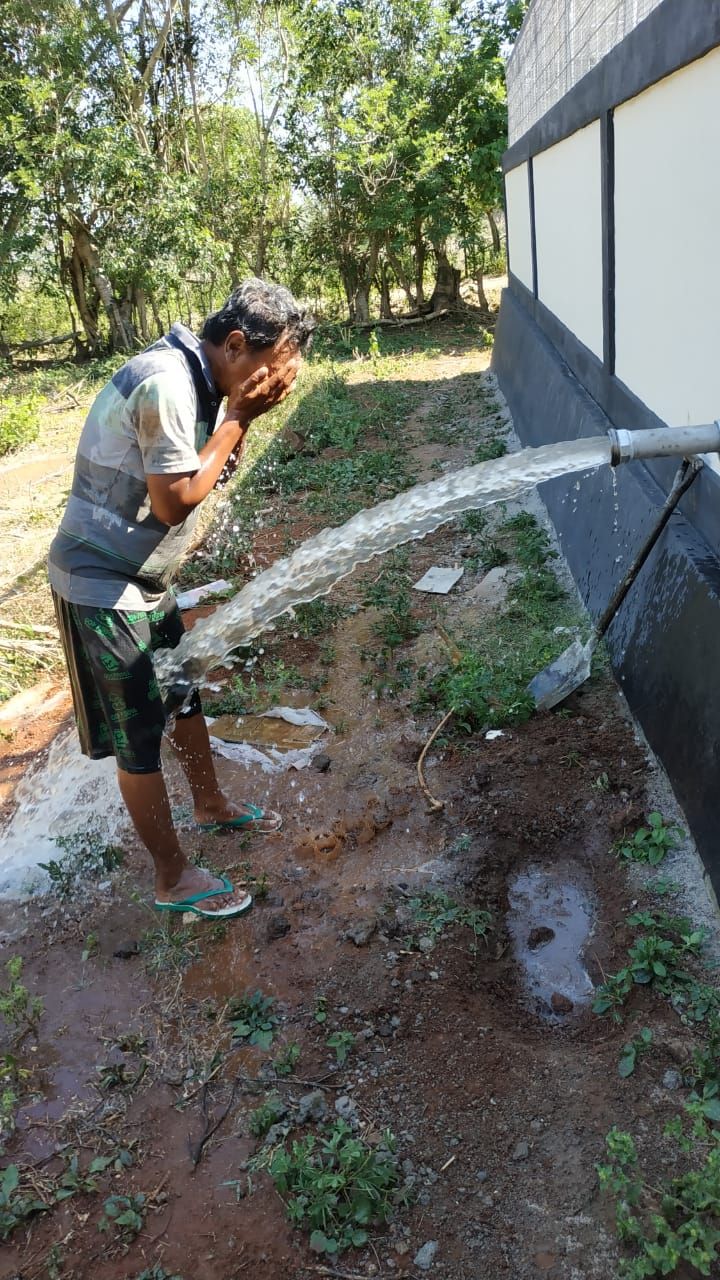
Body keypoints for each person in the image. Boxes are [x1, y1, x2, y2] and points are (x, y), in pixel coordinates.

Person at [48, 279, 315, 919]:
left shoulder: (200, 381)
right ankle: (172, 877)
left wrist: (233, 424)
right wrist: (238, 420)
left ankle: (210, 804)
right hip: (104, 583)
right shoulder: (168, 384)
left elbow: (202, 470)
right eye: (272, 370)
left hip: (142, 577)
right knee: (140, 733)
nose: (274, 386)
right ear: (233, 344)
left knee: (184, 688)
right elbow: (174, 501)